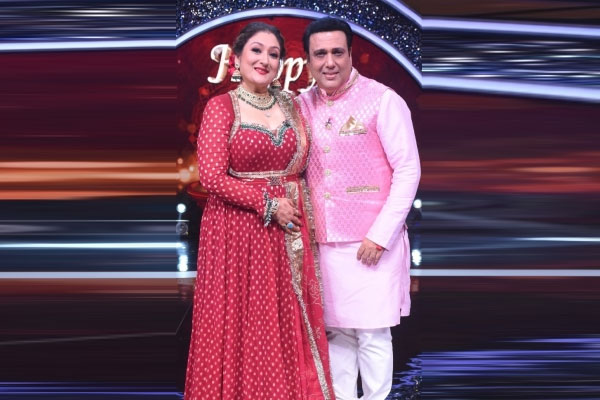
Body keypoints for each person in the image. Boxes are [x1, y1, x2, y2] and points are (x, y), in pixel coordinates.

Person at [185, 22, 334, 400]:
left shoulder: (289, 105)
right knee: (244, 324)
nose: (265, 59)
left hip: (288, 232)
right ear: (236, 58)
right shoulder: (222, 106)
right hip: (237, 232)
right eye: (256, 50)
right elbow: (212, 177)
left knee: (282, 323)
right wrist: (268, 204)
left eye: (273, 54)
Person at [297, 17, 421, 400]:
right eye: (320, 54)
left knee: (372, 333)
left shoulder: (383, 100)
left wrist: (380, 235)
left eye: (337, 52)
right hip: (321, 242)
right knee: (336, 334)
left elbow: (408, 170)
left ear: (351, 53)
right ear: (308, 60)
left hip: (371, 243)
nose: (329, 62)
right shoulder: (300, 105)